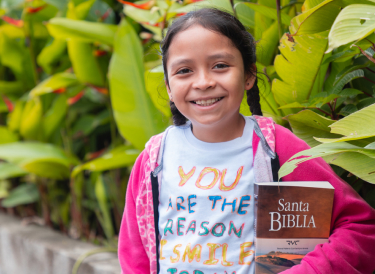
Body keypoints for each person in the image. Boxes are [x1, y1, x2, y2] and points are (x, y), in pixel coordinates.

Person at [118, 8, 375, 274]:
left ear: (249, 75)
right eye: (184, 70)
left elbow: (359, 228)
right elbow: (134, 256)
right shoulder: (154, 160)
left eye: (220, 66)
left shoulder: (277, 150)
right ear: (169, 86)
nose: (203, 82)